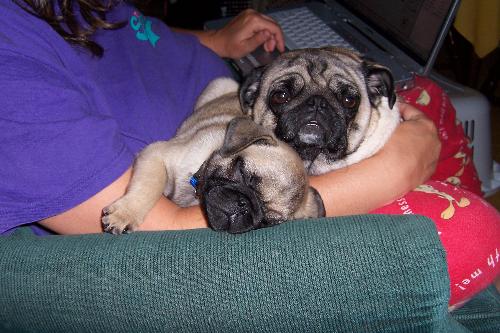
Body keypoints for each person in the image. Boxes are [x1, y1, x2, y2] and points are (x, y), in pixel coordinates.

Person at [0, 0, 440, 235]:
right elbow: (163, 227)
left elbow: (121, 33)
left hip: (247, 86)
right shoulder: (10, 66)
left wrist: (213, 41)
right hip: (252, 171)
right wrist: (390, 172)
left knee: (435, 94)